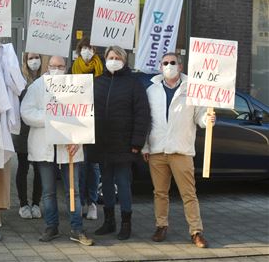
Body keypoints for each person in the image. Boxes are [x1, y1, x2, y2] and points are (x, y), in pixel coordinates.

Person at [142, 52, 215, 248]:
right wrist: (145, 146)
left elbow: (199, 116)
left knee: (189, 194)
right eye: (165, 63)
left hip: (181, 150)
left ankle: (196, 231)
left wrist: (206, 120)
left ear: (180, 67)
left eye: (172, 62)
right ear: (160, 67)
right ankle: (161, 226)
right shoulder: (151, 90)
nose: (169, 65)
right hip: (157, 150)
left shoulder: (192, 89)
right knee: (160, 192)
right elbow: (147, 121)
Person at [21, 55, 94, 246]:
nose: (56, 69)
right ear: (47, 66)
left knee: (74, 191)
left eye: (60, 66)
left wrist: (78, 139)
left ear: (66, 67)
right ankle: (51, 226)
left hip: (69, 147)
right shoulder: (37, 86)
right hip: (45, 148)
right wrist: (51, 118)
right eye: (53, 66)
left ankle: (77, 228)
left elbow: (85, 115)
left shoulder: (77, 86)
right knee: (48, 191)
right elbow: (26, 112)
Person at [88, 45, 150, 240]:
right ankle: (109, 222)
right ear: (105, 59)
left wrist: (137, 142)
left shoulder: (134, 84)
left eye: (117, 57)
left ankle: (126, 223)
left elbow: (142, 114)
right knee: (105, 183)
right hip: (102, 143)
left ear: (124, 60)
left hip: (124, 144)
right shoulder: (97, 82)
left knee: (122, 182)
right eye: (110, 57)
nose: (113, 60)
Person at [70, 37, 103, 221]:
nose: (87, 51)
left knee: (93, 165)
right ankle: (81, 201)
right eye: (83, 48)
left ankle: (92, 203)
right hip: (78, 120)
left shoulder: (102, 69)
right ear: (79, 50)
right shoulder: (73, 69)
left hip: (96, 121)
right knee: (80, 165)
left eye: (89, 48)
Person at [13, 52, 43, 219]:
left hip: (40, 130)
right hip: (23, 132)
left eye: (36, 57)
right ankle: (23, 204)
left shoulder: (46, 78)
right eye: (31, 58)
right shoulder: (19, 79)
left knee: (40, 169)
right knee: (23, 167)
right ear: (25, 60)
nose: (34, 61)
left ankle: (36, 203)